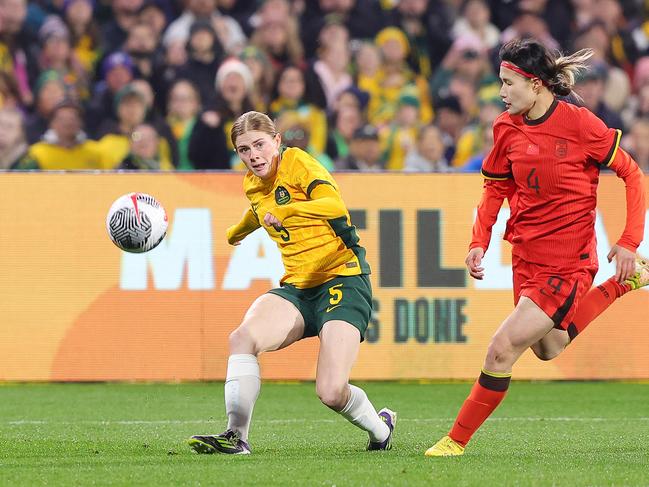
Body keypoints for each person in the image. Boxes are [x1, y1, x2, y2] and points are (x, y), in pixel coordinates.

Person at [425, 38, 648, 457]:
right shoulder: (505, 126)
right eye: (500, 83)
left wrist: (628, 242)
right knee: (548, 347)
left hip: (568, 262)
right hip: (526, 255)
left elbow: (632, 175)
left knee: (501, 348)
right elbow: (495, 188)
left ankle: (455, 441)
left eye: (509, 83)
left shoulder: (581, 125)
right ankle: (624, 284)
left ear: (536, 85)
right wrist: (479, 241)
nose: (502, 92)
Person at [187, 111, 396, 455]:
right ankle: (235, 436)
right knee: (242, 338)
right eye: (243, 150)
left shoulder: (298, 163)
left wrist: (290, 211)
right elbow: (258, 211)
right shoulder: (252, 184)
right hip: (298, 289)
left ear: (277, 141)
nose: (253, 155)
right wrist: (235, 233)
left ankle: (380, 429)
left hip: (343, 279)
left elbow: (334, 204)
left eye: (259, 145)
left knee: (331, 391)